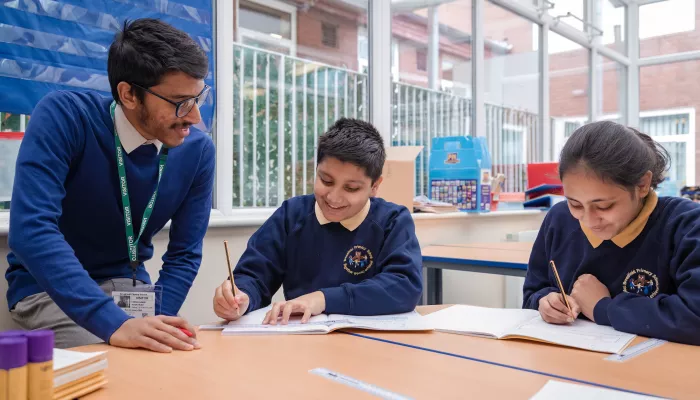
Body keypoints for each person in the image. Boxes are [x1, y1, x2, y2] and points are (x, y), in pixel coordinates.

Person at [6, 18, 214, 352]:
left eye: (198, 98)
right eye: (179, 102)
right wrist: (115, 324)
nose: (194, 117)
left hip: (133, 289)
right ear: (129, 94)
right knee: (114, 366)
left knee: (179, 362)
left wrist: (152, 325)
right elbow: (30, 231)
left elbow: (184, 254)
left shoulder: (198, 151)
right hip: (49, 291)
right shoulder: (65, 117)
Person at [212, 118, 423, 324]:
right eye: (326, 180)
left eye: (351, 188)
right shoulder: (291, 216)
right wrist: (241, 297)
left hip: (373, 346)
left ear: (375, 186)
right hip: (305, 344)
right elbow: (254, 275)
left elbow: (404, 286)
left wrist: (322, 299)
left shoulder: (392, 221)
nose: (334, 197)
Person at [523, 120, 700, 345]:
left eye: (604, 206)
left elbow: (694, 317)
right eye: (575, 204)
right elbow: (532, 293)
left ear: (643, 185)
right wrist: (545, 302)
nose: (588, 220)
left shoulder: (687, 225)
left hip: (654, 371)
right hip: (567, 365)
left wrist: (603, 308)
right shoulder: (559, 219)